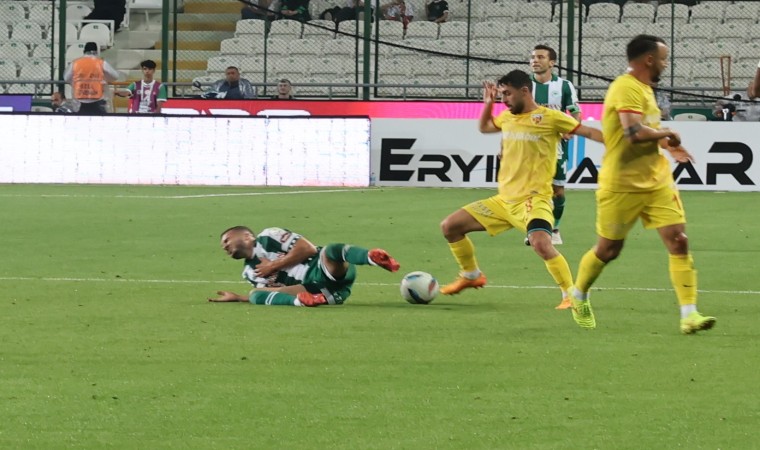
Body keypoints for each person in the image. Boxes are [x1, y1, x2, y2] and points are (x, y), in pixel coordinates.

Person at [567, 34, 716, 334]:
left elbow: (648, 130)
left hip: (657, 181)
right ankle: (578, 294)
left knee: (679, 240)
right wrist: (667, 134)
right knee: (608, 250)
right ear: (649, 60)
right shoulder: (625, 87)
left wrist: (668, 146)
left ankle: (689, 315)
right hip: (621, 183)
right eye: (663, 58)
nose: (665, 63)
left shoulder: (646, 90)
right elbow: (633, 133)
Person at [438, 70, 604, 311]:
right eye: (501, 94)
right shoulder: (507, 117)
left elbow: (588, 131)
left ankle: (571, 295)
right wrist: (488, 104)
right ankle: (471, 275)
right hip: (503, 201)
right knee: (450, 227)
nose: (504, 99)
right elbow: (485, 127)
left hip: (533, 200)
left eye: (507, 94)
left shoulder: (550, 117)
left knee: (541, 244)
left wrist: (619, 144)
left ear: (524, 91)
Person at [208, 226, 400, 306]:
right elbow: (271, 292)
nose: (224, 246)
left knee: (331, 250)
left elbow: (307, 249)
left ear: (247, 236)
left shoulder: (268, 236)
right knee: (255, 295)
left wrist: (273, 266)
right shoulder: (248, 272)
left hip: (323, 268)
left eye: (226, 240)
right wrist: (239, 297)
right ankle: (301, 301)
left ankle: (371, 257)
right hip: (321, 293)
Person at [529, 44, 582, 248]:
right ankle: (535, 230)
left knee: (557, 192)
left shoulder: (564, 86)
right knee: (534, 191)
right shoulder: (525, 85)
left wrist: (571, 129)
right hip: (529, 145)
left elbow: (575, 112)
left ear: (552, 62)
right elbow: (512, 114)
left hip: (556, 146)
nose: (535, 60)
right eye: (533, 57)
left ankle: (555, 228)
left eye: (540, 57)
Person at [63, 42, 120, 115]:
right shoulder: (101, 63)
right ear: (96, 51)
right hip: (97, 97)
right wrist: (105, 79)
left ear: (84, 51)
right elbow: (115, 76)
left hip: (80, 98)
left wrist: (75, 82)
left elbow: (66, 78)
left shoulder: (75, 63)